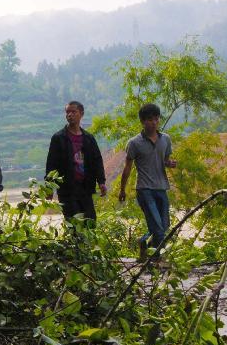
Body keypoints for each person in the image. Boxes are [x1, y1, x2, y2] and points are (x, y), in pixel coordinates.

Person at [118, 103, 176, 261]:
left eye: (156, 119)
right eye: (150, 119)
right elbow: (127, 168)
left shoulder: (165, 139)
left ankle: (144, 243)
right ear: (143, 121)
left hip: (162, 188)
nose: (154, 122)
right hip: (144, 190)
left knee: (164, 227)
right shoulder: (134, 143)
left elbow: (164, 160)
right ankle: (156, 261)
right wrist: (122, 190)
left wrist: (169, 163)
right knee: (158, 230)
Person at [45, 101, 107, 222]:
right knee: (73, 223)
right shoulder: (58, 138)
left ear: (81, 114)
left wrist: (101, 181)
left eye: (73, 111)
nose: (70, 115)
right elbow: (51, 164)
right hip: (67, 188)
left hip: (86, 187)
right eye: (67, 112)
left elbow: (97, 161)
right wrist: (49, 187)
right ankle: (75, 241)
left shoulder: (88, 138)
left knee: (90, 222)